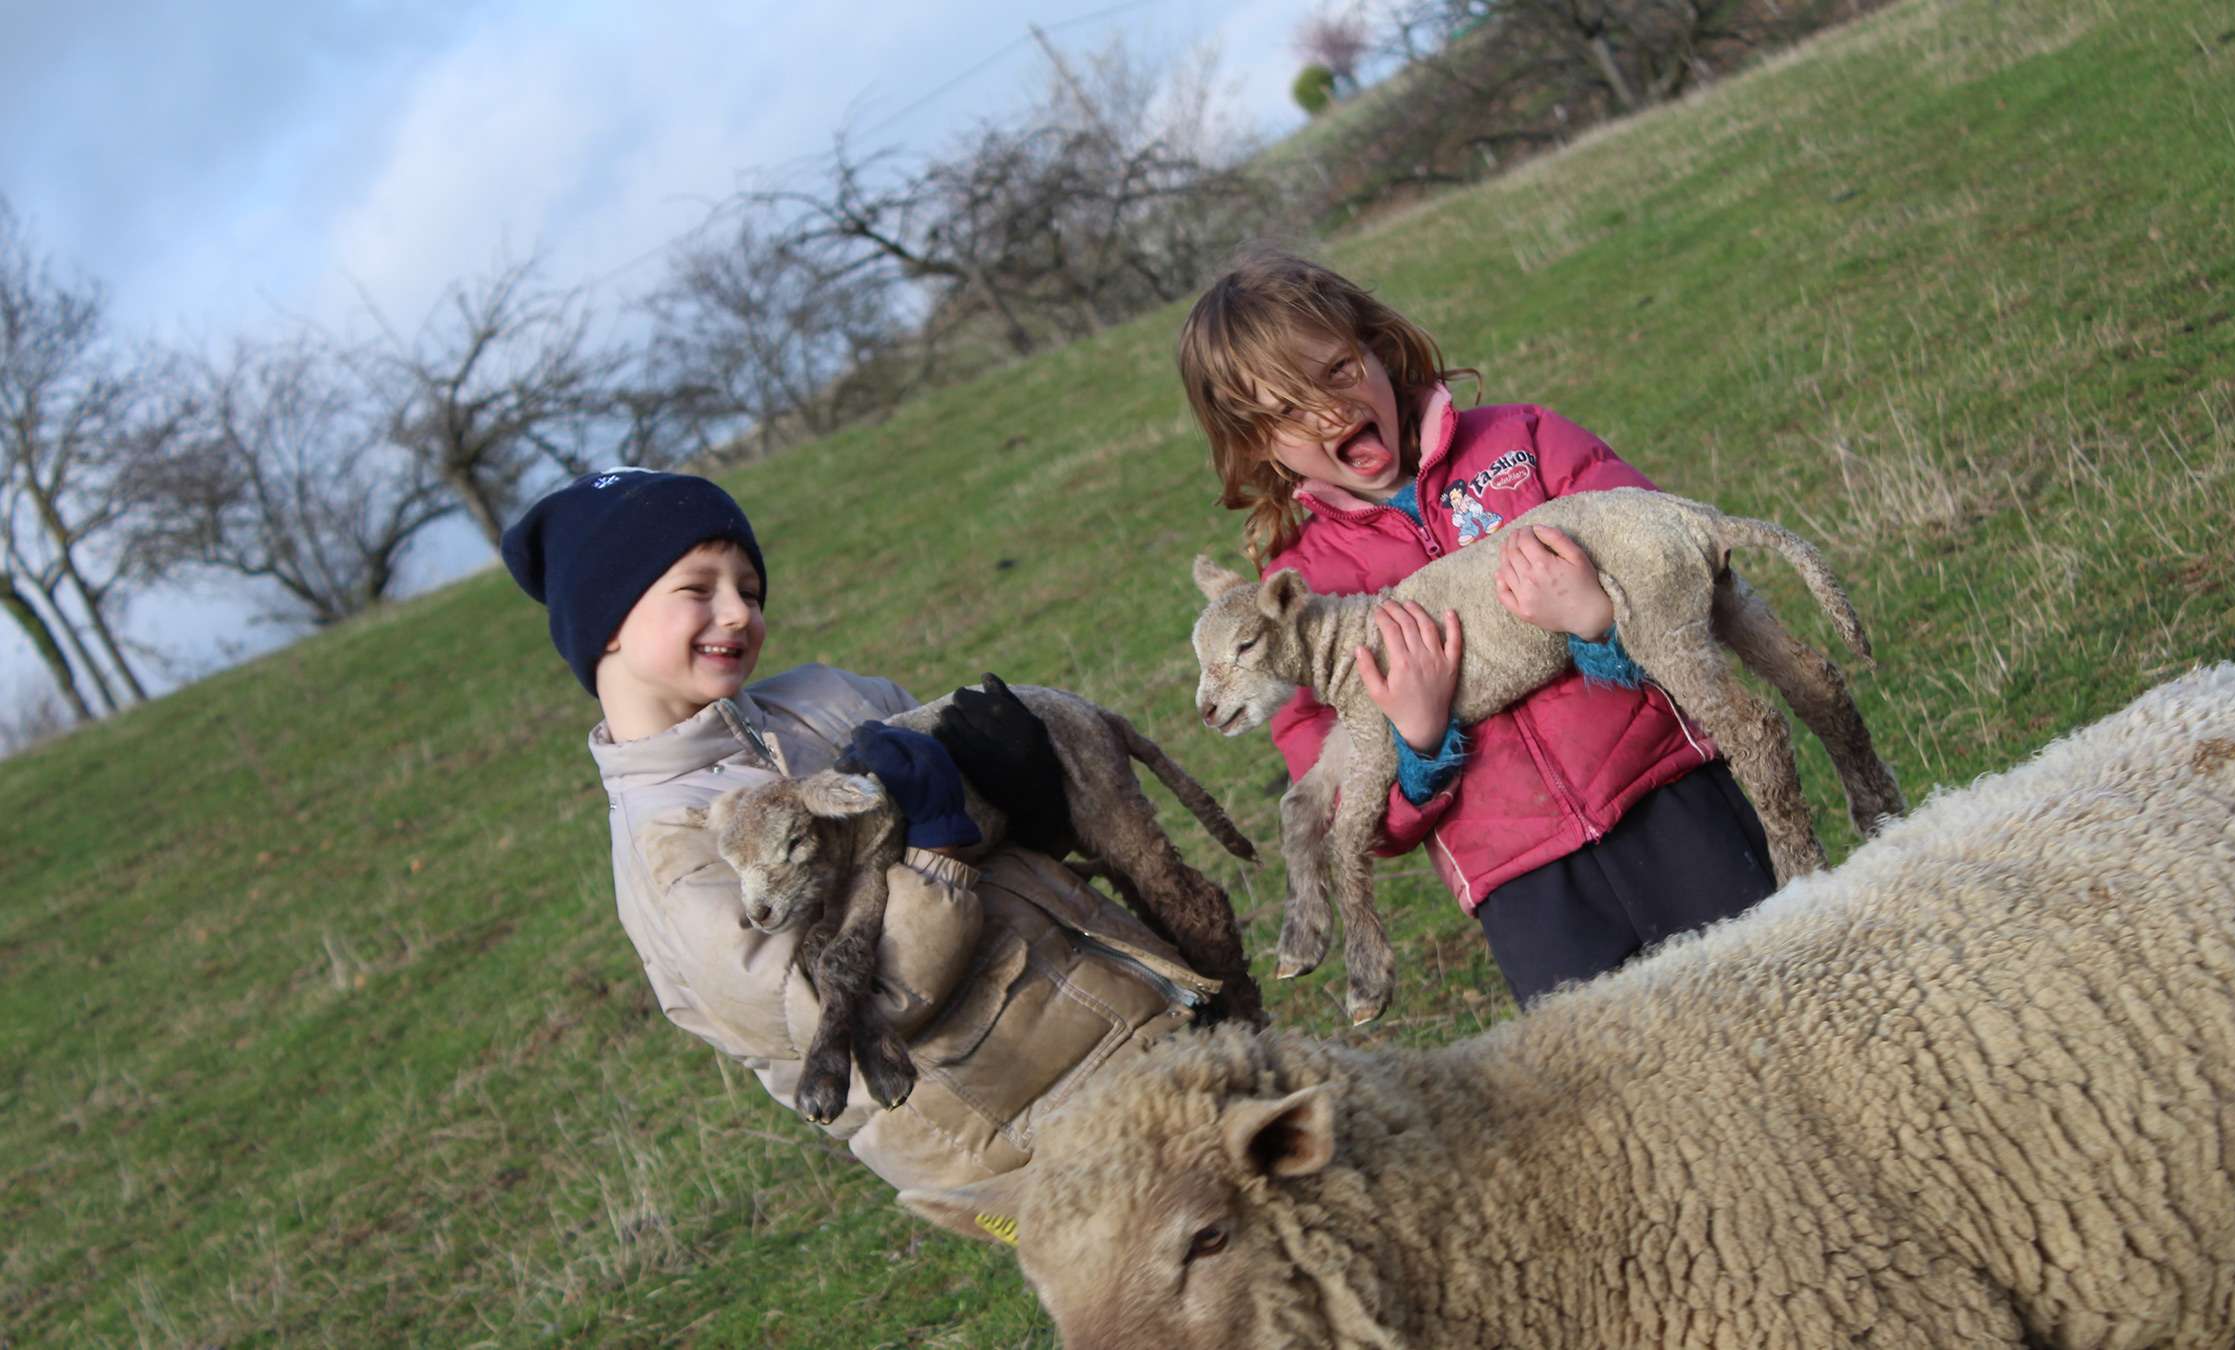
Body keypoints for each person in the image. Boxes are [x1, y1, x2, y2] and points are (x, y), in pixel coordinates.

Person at [502, 467, 1213, 1194]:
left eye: (749, 589)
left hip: (1138, 1027)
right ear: (607, 623)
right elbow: (850, 1013)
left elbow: (1005, 850)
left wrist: (1025, 796)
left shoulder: (832, 698)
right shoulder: (672, 851)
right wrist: (937, 850)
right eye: (698, 589)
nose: (739, 612)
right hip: (1031, 1138)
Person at [1179, 247, 1778, 1007]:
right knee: (1630, 1097)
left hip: (1675, 803)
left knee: (1786, 1006)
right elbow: (1358, 818)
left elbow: (1680, 565)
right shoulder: (1297, 601)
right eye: (1289, 411)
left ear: (1378, 346)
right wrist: (1418, 741)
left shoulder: (1525, 443)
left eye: (1336, 371)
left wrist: (1598, 621)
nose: (1330, 412)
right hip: (1525, 890)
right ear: (1257, 441)